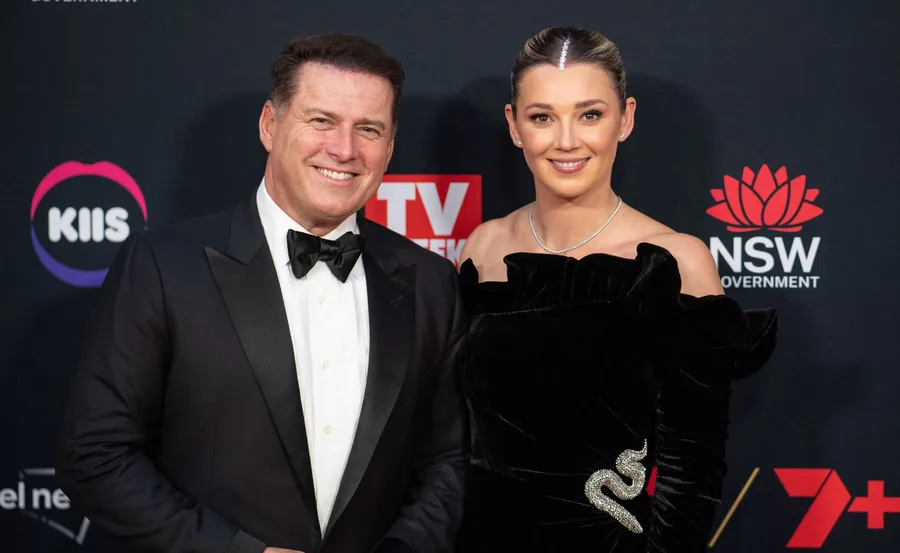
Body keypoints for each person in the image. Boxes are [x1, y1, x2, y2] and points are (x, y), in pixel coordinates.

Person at [56, 33, 469, 553]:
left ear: (389, 148)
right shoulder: (163, 266)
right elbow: (96, 455)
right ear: (271, 126)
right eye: (321, 121)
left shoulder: (431, 282)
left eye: (368, 129)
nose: (344, 149)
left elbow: (447, 461)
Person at [453, 26, 778, 552]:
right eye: (542, 117)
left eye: (589, 114)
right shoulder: (482, 247)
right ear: (514, 126)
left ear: (624, 119)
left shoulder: (674, 259)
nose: (565, 140)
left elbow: (691, 476)